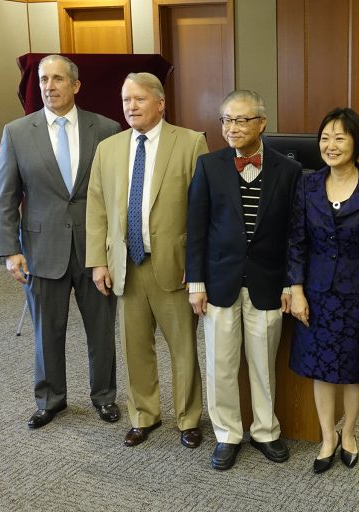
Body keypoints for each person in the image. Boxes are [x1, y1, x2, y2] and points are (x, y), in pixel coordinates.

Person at [0, 54, 121, 429]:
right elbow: (5, 196)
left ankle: (104, 397)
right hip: (40, 249)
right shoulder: (16, 132)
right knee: (47, 329)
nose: (49, 86)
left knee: (101, 329)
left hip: (94, 249)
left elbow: (116, 194)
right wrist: (10, 250)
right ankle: (50, 399)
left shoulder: (107, 128)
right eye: (43, 80)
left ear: (75, 85)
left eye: (57, 79)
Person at [86, 72, 207, 448]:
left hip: (174, 265)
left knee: (183, 347)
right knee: (135, 347)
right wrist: (98, 262)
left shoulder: (190, 143)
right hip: (126, 265)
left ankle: (188, 418)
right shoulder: (109, 148)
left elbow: (205, 209)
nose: (130, 107)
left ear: (160, 102)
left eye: (138, 99)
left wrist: (197, 262)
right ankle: (144, 415)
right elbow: (97, 208)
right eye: (126, 100)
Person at [185, 90, 301, 471]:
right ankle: (227, 434)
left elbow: (293, 232)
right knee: (221, 362)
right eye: (226, 121)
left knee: (263, 363)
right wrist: (196, 283)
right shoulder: (209, 165)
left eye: (241, 120)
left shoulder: (288, 170)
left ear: (262, 124)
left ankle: (266, 431)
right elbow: (196, 229)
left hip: (268, 282)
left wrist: (289, 282)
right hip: (219, 281)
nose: (232, 128)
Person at [288, 108, 359, 474]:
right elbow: (297, 241)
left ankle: (348, 432)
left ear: (357, 142)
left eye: (340, 138)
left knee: (353, 365)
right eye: (325, 139)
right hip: (316, 291)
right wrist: (296, 288)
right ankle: (326, 437)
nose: (330, 146)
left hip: (358, 292)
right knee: (320, 365)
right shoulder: (308, 185)